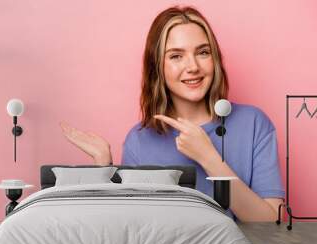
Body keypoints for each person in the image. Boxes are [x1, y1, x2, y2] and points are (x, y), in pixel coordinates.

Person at [59, 6, 284, 222]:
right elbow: (131, 227)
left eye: (203, 52)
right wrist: (104, 170)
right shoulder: (139, 141)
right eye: (176, 56)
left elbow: (271, 222)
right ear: (158, 67)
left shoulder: (254, 123)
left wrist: (209, 158)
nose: (193, 66)